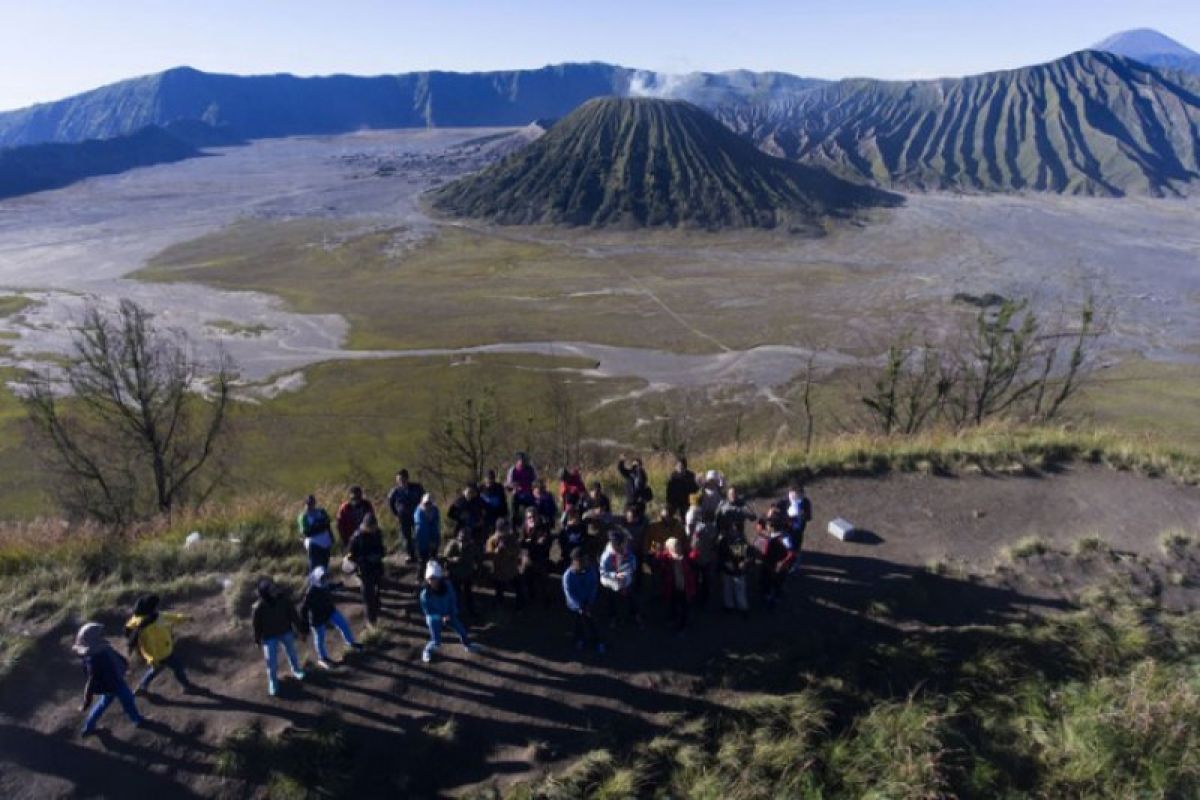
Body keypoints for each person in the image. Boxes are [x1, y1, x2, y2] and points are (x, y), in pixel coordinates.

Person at [75, 622, 145, 736]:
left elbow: (115, 656)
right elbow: (91, 680)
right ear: (93, 639)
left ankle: (89, 727)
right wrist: (87, 701)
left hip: (110, 684)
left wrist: (124, 664)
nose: (102, 635)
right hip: (114, 684)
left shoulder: (100, 649)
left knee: (104, 704)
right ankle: (137, 720)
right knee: (128, 700)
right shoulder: (94, 659)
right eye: (99, 634)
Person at [124, 594, 193, 696]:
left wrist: (185, 618)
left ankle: (142, 688)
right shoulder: (144, 627)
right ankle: (187, 686)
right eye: (156, 605)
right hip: (161, 654)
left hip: (162, 651)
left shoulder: (154, 616)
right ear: (151, 608)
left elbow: (172, 617)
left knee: (155, 671)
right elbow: (146, 646)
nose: (158, 607)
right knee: (177, 668)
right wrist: (152, 658)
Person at [251, 578, 307, 697]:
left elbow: (293, 615)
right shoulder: (258, 607)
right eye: (272, 589)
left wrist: (300, 630)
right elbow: (256, 626)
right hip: (269, 637)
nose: (275, 590)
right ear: (265, 593)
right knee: (271, 662)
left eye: (274, 588)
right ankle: (273, 681)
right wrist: (257, 640)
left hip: (285, 631)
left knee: (292, 653)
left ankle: (296, 671)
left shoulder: (284, 600)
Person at [300, 566, 363, 669]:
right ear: (317, 579)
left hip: (329, 611)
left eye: (325, 577)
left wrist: (341, 584)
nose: (325, 579)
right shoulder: (310, 593)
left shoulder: (324, 585)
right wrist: (304, 628)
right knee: (320, 639)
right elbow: (304, 610)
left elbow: (331, 586)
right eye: (322, 578)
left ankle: (351, 643)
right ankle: (323, 658)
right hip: (317, 618)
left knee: (343, 625)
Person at [419, 561, 479, 663]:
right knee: (436, 641)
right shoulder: (424, 594)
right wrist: (440, 617)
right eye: (430, 579)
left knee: (461, 630)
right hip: (434, 618)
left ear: (439, 578)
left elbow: (453, 600)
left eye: (434, 578)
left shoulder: (448, 586)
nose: (432, 581)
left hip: (449, 614)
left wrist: (452, 613)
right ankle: (427, 651)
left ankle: (467, 645)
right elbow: (428, 611)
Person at [562, 548, 604, 654]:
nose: (584, 563)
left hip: (589, 602)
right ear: (574, 561)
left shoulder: (591, 571)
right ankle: (579, 639)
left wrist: (589, 602)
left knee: (592, 622)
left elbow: (593, 587)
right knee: (578, 622)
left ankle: (598, 641)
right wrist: (579, 606)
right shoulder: (568, 576)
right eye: (581, 560)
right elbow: (569, 594)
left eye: (585, 560)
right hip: (576, 605)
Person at [348, 514, 386, 628]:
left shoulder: (377, 533)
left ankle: (377, 608)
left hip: (377, 567)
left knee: (378, 591)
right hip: (364, 570)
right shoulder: (356, 537)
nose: (373, 529)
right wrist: (364, 559)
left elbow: (381, 547)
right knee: (368, 596)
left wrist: (380, 554)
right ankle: (372, 621)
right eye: (371, 527)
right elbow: (351, 556)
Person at [599, 530, 641, 627]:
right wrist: (615, 575)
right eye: (623, 544)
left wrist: (629, 569)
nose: (625, 546)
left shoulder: (626, 550)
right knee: (612, 600)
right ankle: (613, 617)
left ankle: (635, 614)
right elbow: (603, 572)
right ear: (616, 545)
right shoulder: (606, 557)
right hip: (611, 582)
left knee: (631, 597)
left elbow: (632, 561)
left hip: (625, 579)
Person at [656, 538, 697, 634]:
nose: (677, 548)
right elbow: (659, 564)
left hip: (685, 588)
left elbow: (693, 559)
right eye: (674, 546)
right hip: (673, 587)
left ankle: (683, 624)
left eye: (678, 545)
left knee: (685, 607)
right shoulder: (667, 559)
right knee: (672, 604)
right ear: (668, 548)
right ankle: (673, 619)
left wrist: (695, 550)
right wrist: (659, 553)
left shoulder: (685, 558)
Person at [757, 517, 797, 611]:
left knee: (777, 583)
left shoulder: (784, 539)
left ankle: (774, 599)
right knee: (767, 579)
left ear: (772, 527)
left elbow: (792, 553)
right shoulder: (770, 535)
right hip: (769, 563)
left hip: (778, 567)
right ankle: (767, 594)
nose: (766, 527)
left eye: (768, 525)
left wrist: (782, 563)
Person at [443, 526, 482, 618]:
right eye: (461, 540)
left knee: (468, 594)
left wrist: (477, 568)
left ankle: (471, 611)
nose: (463, 543)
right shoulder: (452, 545)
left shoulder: (473, 547)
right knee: (455, 594)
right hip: (454, 575)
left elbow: (478, 558)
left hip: (467, 573)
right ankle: (454, 612)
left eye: (465, 541)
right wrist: (452, 560)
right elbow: (444, 559)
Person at [386, 470, 424, 563]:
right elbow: (390, 503)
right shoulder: (394, 491)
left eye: (403, 479)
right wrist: (397, 513)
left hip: (416, 515)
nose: (401, 481)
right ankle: (410, 555)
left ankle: (421, 554)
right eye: (399, 480)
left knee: (419, 534)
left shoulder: (417, 488)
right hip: (403, 517)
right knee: (406, 537)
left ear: (407, 478)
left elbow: (424, 499)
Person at [486, 518, 524, 611]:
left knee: (519, 588)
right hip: (499, 571)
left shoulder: (512, 538)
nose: (508, 531)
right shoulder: (492, 540)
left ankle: (519, 605)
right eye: (506, 529)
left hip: (512, 569)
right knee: (499, 591)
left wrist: (507, 550)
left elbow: (517, 550)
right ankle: (500, 606)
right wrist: (497, 550)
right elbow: (489, 556)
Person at [519, 507, 554, 605]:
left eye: (534, 516)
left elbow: (547, 542)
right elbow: (521, 543)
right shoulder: (524, 528)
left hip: (540, 557)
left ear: (538, 517)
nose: (532, 519)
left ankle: (546, 598)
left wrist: (532, 542)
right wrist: (532, 541)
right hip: (528, 557)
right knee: (526, 575)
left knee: (543, 578)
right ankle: (531, 595)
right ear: (526, 518)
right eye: (529, 517)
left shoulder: (544, 527)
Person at [717, 527, 752, 618]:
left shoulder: (740, 541)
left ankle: (742, 608)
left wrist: (744, 562)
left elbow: (747, 556)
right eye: (731, 530)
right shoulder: (724, 541)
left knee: (739, 589)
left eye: (735, 530)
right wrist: (725, 562)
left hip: (739, 571)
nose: (733, 532)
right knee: (727, 589)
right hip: (728, 570)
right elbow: (720, 555)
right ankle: (729, 606)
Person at [297, 495, 334, 571]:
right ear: (305, 504)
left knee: (325, 565)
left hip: (326, 543)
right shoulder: (303, 516)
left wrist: (331, 537)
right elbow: (307, 532)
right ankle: (314, 582)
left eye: (312, 503)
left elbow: (328, 524)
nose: (310, 505)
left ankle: (324, 582)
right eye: (308, 503)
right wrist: (321, 525)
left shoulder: (321, 511)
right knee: (314, 565)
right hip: (314, 544)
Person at [413, 493, 442, 590]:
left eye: (429, 503)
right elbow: (422, 530)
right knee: (422, 561)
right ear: (422, 503)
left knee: (433, 560)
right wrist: (427, 543)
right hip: (422, 542)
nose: (428, 505)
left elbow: (436, 527)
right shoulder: (418, 513)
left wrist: (434, 541)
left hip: (434, 539)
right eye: (426, 503)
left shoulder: (435, 511)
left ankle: (434, 577)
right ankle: (419, 578)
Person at [505, 452, 538, 525]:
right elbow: (508, 483)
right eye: (520, 460)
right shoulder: (513, 470)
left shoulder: (530, 469)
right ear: (517, 461)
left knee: (534, 506)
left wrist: (534, 487)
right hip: (517, 494)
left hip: (529, 493)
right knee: (512, 501)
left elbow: (536, 481)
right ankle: (512, 525)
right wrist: (513, 486)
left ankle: (533, 524)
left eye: (524, 460)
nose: (522, 462)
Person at [665, 458, 699, 522]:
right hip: (674, 501)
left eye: (681, 466)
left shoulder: (691, 476)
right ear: (675, 467)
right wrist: (668, 503)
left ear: (685, 467)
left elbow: (695, 490)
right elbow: (668, 492)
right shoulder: (672, 476)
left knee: (686, 517)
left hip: (686, 501)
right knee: (666, 514)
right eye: (678, 466)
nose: (679, 468)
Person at [786, 486, 813, 562]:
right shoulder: (801, 502)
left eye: (793, 496)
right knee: (791, 547)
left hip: (795, 532)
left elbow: (800, 525)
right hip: (792, 529)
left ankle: (794, 565)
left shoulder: (801, 505)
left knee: (794, 549)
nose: (790, 497)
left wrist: (789, 525)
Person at [478, 469, 509, 533]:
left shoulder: (499, 487)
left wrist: (505, 514)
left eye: (492, 478)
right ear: (485, 479)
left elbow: (503, 502)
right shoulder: (480, 488)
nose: (490, 480)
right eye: (488, 478)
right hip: (485, 514)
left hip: (497, 513)